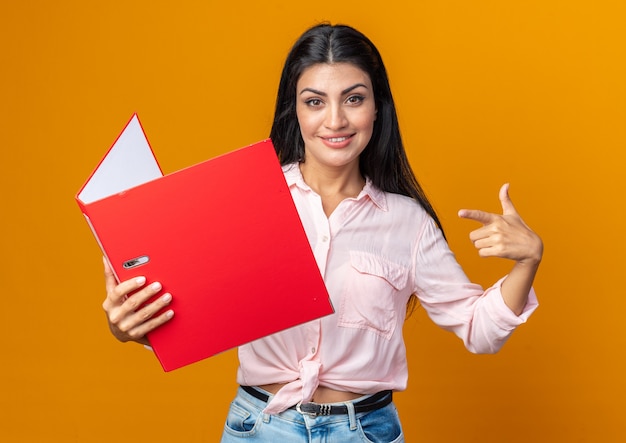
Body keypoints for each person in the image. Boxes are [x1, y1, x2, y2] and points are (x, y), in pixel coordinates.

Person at [101, 23, 542, 442]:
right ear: (295, 111)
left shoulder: (408, 224)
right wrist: (134, 327)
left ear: (377, 108)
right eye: (315, 101)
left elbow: (479, 330)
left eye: (353, 99)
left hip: (365, 433)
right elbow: (195, 312)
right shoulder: (249, 199)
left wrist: (528, 260)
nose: (335, 120)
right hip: (259, 428)